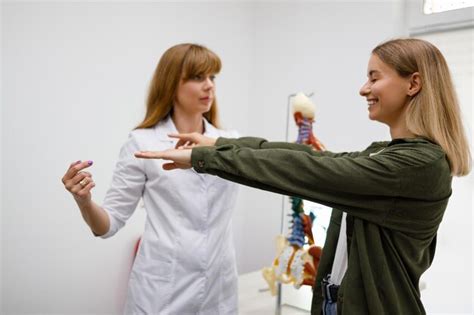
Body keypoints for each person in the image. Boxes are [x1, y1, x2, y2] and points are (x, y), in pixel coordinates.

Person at [134, 38, 471, 314]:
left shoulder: (419, 165)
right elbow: (310, 157)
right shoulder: (384, 150)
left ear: (413, 83)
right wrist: (220, 142)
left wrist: (203, 157)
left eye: (374, 77)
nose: (363, 89)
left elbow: (308, 170)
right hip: (333, 301)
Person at [61, 43, 241, 314]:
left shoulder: (231, 143)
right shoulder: (142, 142)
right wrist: (84, 201)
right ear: (171, 84)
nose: (209, 86)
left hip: (219, 289)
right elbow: (107, 225)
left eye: (212, 77)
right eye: (197, 77)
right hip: (161, 291)